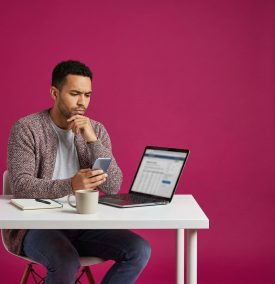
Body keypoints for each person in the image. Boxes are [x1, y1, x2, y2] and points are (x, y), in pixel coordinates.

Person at [3, 60, 151, 284]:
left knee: (138, 249)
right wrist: (71, 184)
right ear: (55, 92)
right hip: (36, 226)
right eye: (74, 93)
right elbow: (22, 186)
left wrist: (91, 140)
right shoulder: (27, 128)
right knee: (65, 261)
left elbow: (112, 186)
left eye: (88, 94)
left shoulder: (96, 130)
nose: (82, 102)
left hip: (83, 223)